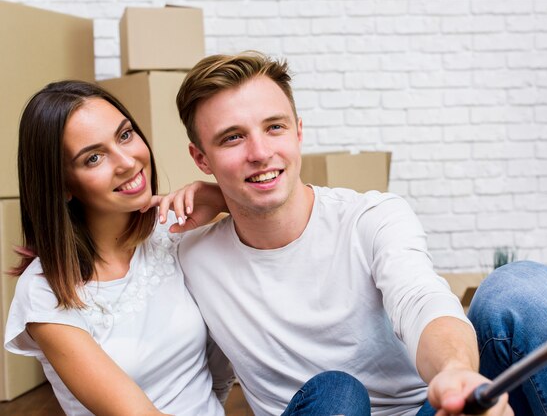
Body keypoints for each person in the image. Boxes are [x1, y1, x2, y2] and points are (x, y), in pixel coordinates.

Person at [158, 51, 547, 416]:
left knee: (523, 287)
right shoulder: (192, 257)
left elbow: (421, 300)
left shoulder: (371, 217)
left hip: (426, 412)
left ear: (298, 133)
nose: (260, 152)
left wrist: (456, 373)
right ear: (201, 159)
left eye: (274, 127)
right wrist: (226, 199)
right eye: (232, 139)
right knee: (337, 392)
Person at [3, 80, 370, 416]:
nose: (127, 161)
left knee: (338, 392)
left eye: (126, 135)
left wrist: (219, 196)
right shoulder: (46, 294)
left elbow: (278, 215)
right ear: (62, 184)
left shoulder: (172, 235)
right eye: (93, 158)